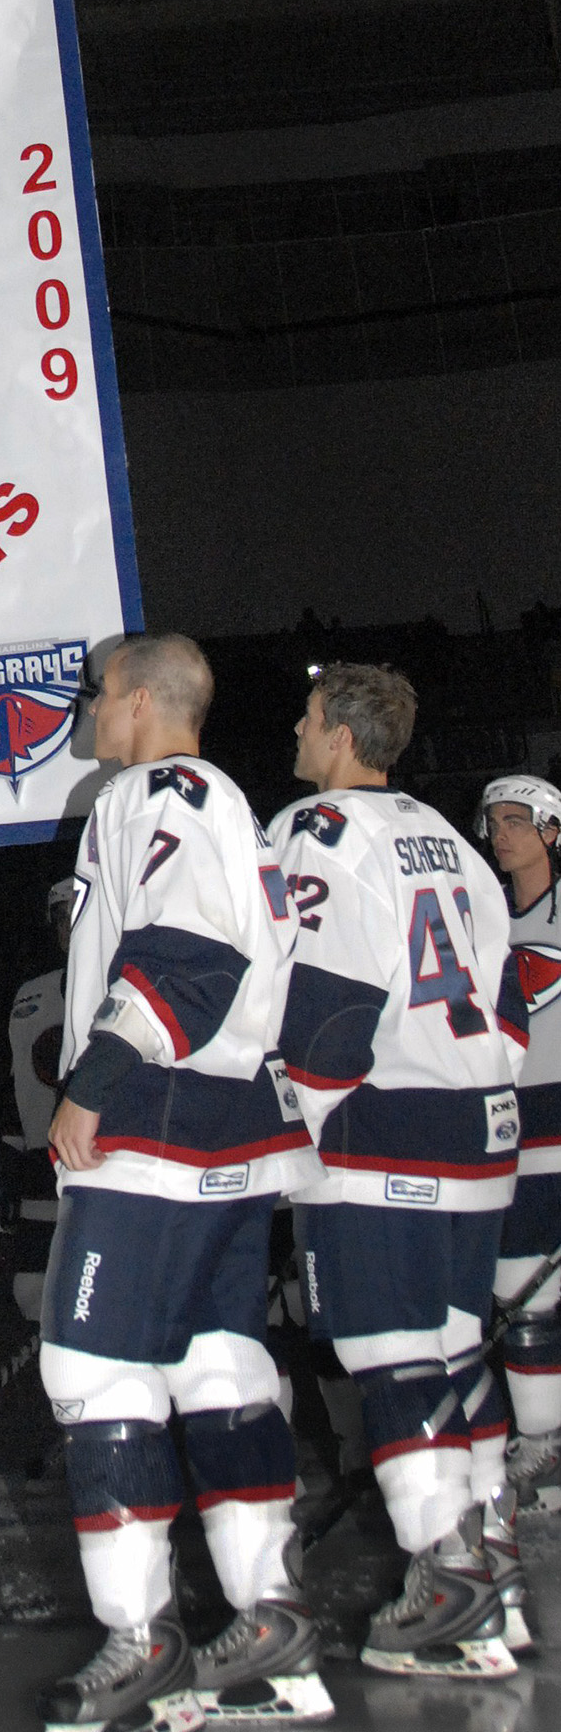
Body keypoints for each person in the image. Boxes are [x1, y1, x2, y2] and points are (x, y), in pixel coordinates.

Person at [36, 634, 318, 1732]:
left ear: (143, 701)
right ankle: (270, 1622)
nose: (90, 714)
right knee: (215, 1367)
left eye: (99, 695)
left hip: (153, 1117)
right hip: (234, 1122)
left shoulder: (152, 789)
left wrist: (93, 1084)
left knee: (94, 1369)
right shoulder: (225, 803)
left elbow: (189, 957)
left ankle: (141, 1646)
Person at [273, 667, 526, 1672]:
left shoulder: (318, 831)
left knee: (389, 1355)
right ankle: (485, 1553)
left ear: (338, 734)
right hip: (478, 1125)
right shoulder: (450, 838)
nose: (294, 730)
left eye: (304, 717)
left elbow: (331, 999)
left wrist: (298, 1118)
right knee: (454, 1351)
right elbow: (507, 999)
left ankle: (445, 1571)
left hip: (384, 1129)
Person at [476, 775, 561, 1515]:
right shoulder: (480, 915)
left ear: (551, 831)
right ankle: (543, 1444)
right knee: (522, 1294)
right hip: (516, 1126)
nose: (500, 835)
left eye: (516, 821)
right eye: (493, 822)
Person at [0, 879, 72, 1325]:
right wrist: (3, 1156)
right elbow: (17, 1077)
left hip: (109, 1158)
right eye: (62, 917)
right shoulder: (30, 994)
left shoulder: (124, 984)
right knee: (31, 1291)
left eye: (79, 913)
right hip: (43, 1162)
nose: (70, 926)